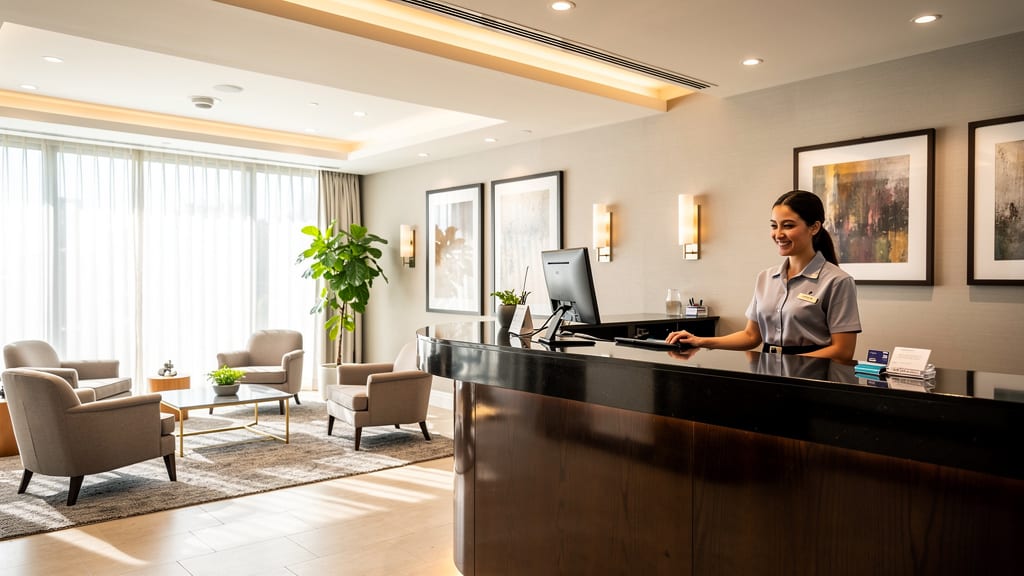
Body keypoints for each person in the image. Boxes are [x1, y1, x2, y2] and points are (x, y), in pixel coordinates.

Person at [666, 190, 861, 361]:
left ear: (814, 227)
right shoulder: (766, 278)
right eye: (774, 225)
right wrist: (700, 341)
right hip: (768, 375)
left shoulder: (837, 281)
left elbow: (842, 351)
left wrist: (785, 363)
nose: (778, 234)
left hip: (812, 379)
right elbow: (751, 336)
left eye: (788, 225)